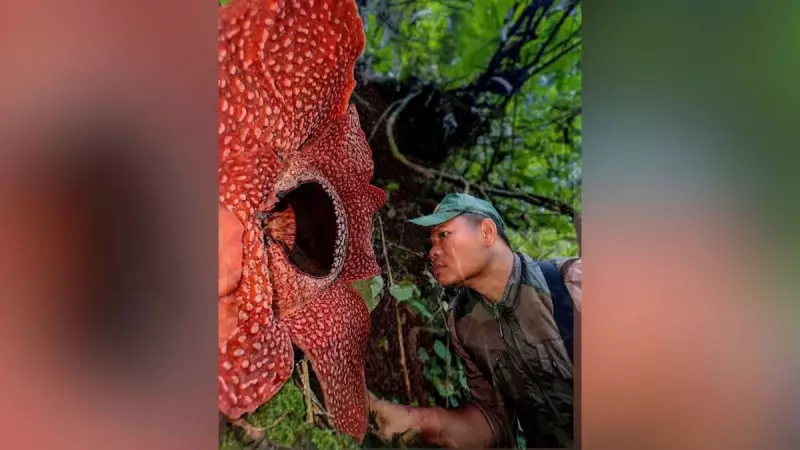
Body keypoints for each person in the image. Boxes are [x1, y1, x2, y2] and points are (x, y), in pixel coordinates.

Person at [367, 193, 582, 448]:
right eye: (431, 242)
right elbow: (493, 423)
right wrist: (419, 421)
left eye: (443, 235)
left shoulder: (572, 284)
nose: (433, 252)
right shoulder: (463, 324)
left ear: (487, 232)